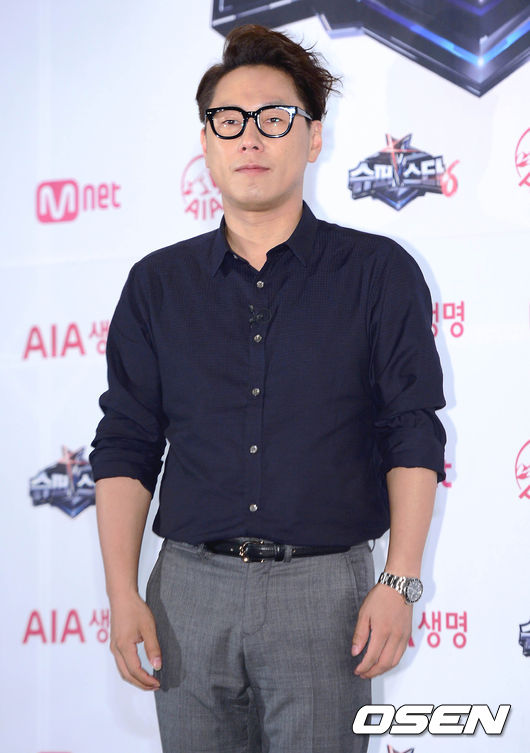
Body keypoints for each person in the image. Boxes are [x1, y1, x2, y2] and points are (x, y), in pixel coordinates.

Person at [90, 23, 446, 753]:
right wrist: (122, 592)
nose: (250, 137)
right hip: (187, 592)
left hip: (324, 594)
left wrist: (401, 580)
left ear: (313, 138)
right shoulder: (157, 285)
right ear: (206, 142)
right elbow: (126, 442)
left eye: (275, 118)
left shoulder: (378, 274)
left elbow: (411, 429)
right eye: (229, 120)